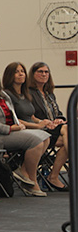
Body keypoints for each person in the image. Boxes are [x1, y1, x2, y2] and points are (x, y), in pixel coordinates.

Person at [0, 64, 50, 197]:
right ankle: (32, 180)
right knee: (36, 141)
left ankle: (23, 172)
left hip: (11, 131)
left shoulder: (3, 95)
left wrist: (18, 125)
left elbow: (12, 115)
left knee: (45, 136)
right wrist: (10, 128)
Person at [26, 62, 69, 191]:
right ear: (33, 74)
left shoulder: (49, 94)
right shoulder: (28, 93)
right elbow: (29, 114)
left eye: (46, 72)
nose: (44, 74)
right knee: (69, 132)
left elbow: (59, 113)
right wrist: (45, 122)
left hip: (55, 129)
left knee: (70, 136)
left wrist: (59, 120)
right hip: (40, 129)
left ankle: (53, 176)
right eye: (40, 71)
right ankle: (54, 177)